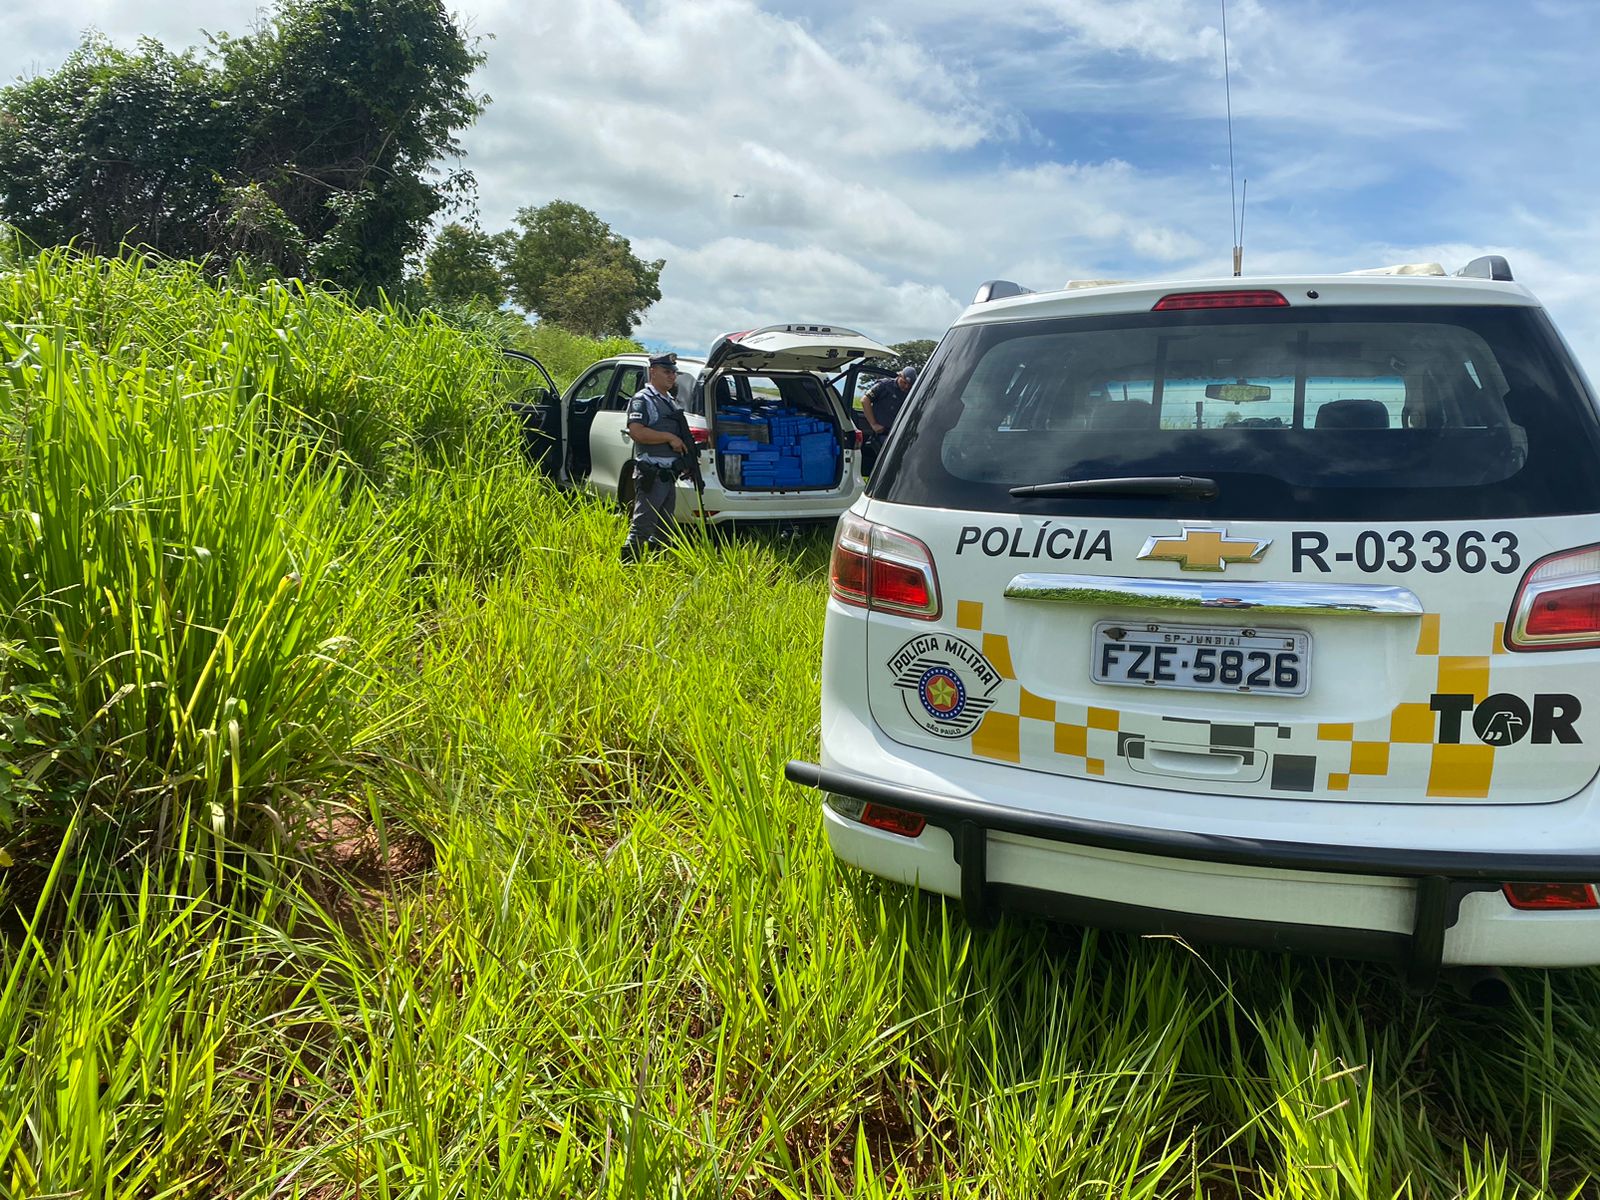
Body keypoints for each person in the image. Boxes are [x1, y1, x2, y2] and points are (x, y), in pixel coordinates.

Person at [621, 351, 690, 562]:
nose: (671, 376)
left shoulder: (669, 400)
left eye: (674, 373)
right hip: (652, 471)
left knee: (665, 527)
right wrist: (668, 437)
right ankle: (627, 567)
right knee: (643, 524)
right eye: (666, 371)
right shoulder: (643, 400)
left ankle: (656, 567)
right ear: (653, 372)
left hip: (668, 473)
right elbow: (637, 432)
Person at [860, 364, 918, 474]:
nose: (906, 387)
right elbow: (865, 400)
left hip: (898, 436)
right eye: (904, 382)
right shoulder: (884, 385)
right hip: (882, 435)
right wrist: (873, 424)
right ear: (899, 376)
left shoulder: (911, 393)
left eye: (909, 385)